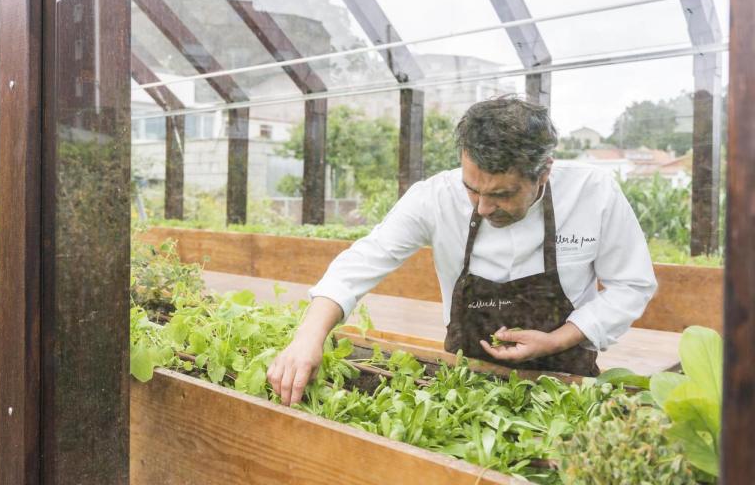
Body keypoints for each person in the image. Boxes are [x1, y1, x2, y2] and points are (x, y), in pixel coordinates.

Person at [268, 95, 657, 406]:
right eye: (473, 189)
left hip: (566, 384)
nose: (483, 208)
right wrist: (307, 337)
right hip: (463, 381)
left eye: (502, 194)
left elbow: (631, 285)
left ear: (544, 172)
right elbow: (362, 261)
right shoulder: (435, 198)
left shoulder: (594, 194)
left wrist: (559, 338)